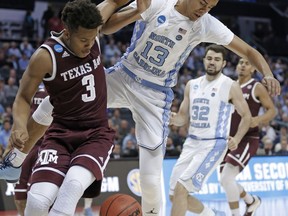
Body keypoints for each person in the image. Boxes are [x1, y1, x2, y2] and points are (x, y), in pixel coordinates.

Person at [0, 0, 281, 215]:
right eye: (202, 2)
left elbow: (249, 51)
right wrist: (136, 12)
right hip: (124, 75)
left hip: (156, 95)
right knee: (56, 101)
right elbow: (104, 26)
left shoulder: (207, 24)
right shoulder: (158, 2)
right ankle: (17, 157)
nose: (204, 9)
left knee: (149, 175)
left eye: (211, 5)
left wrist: (267, 73)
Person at [0, 0, 136, 215]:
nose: (89, 45)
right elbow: (23, 97)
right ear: (67, 31)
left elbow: (113, 1)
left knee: (71, 188)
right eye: (83, 39)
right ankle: (15, 160)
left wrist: (143, 7)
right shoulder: (45, 57)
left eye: (93, 38)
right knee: (36, 203)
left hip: (96, 135)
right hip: (60, 135)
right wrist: (19, 126)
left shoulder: (91, 30)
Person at [169, 44, 252, 216]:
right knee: (173, 195)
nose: (212, 62)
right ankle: (211, 214)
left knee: (181, 188)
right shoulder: (192, 85)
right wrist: (172, 118)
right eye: (209, 58)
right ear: (204, 60)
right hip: (191, 142)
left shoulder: (230, 85)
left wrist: (236, 138)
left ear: (223, 64)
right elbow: (182, 118)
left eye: (217, 59)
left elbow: (247, 117)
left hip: (213, 145)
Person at [219, 57, 276, 216]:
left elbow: (272, 110)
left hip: (246, 139)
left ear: (253, 69)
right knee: (225, 181)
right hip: (229, 139)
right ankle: (251, 201)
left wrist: (257, 120)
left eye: (247, 63)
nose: (243, 66)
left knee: (226, 178)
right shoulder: (231, 86)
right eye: (240, 63)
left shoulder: (256, 87)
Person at [13, 84, 48, 216]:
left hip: (46, 144)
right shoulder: (29, 88)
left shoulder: (57, 86)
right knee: (20, 188)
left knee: (38, 188)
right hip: (27, 143)